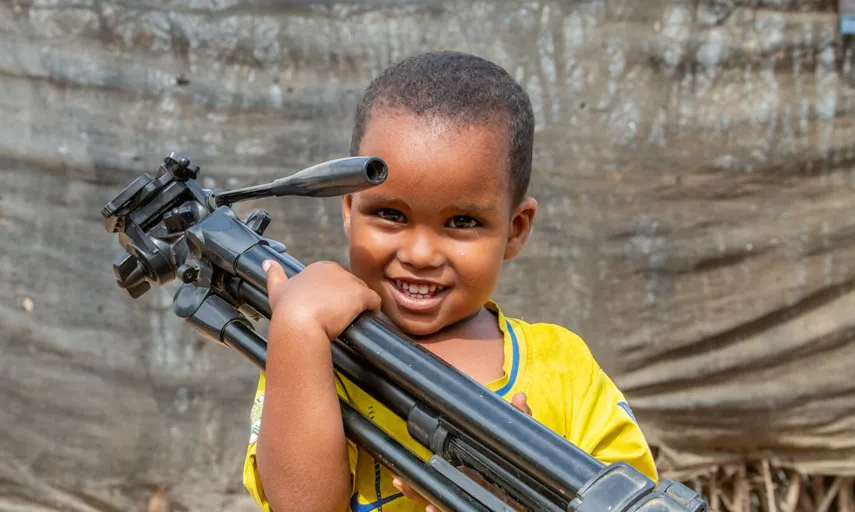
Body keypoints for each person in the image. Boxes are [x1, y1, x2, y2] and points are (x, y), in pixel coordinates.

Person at [240, 51, 657, 512]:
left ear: (515, 229)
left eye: (461, 222)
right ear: (349, 210)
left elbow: (636, 501)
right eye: (390, 214)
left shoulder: (565, 370)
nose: (420, 254)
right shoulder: (321, 355)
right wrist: (296, 328)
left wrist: (523, 500)